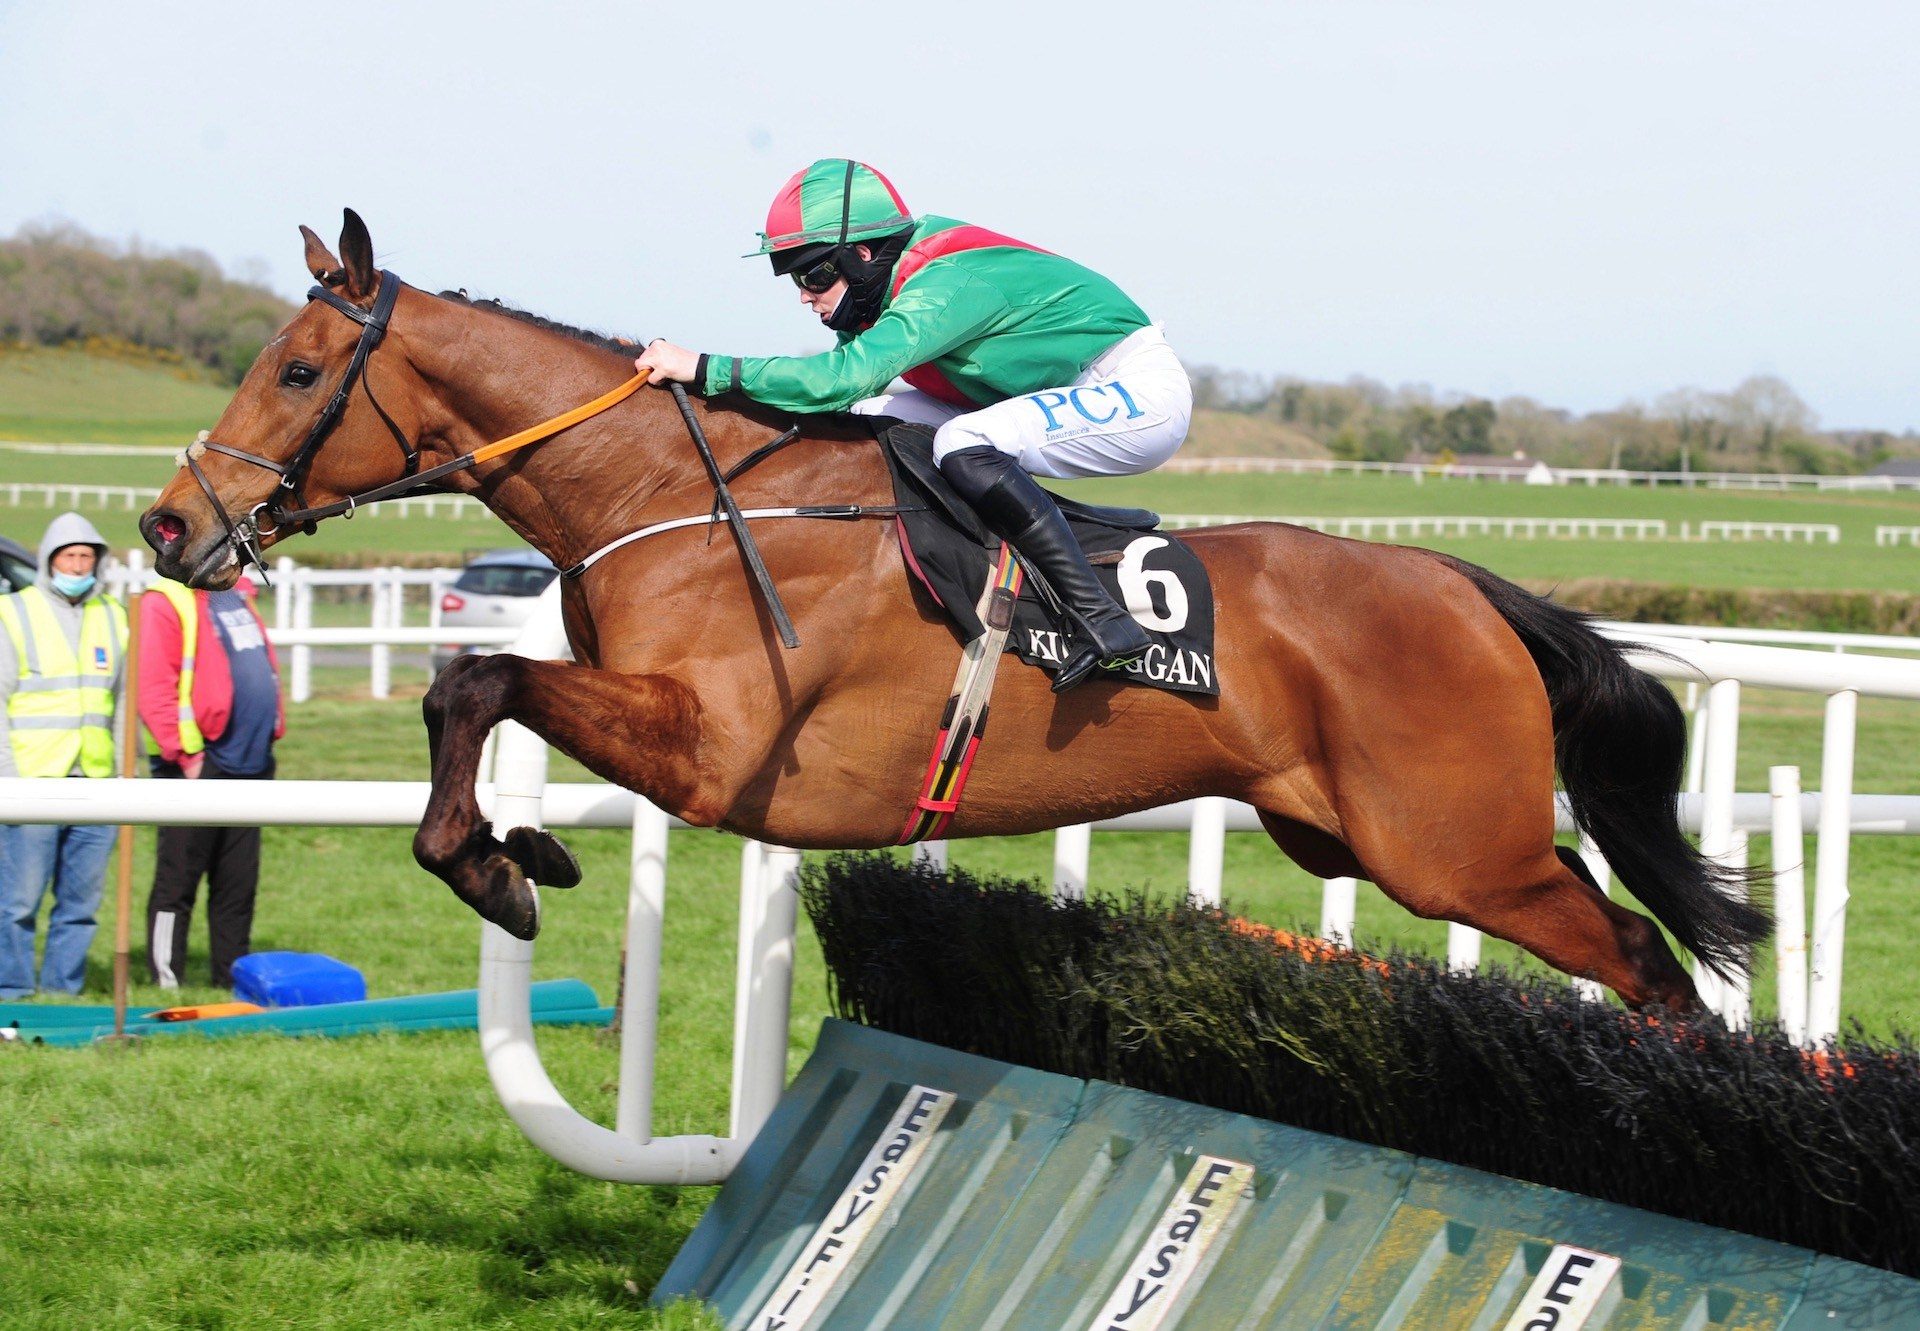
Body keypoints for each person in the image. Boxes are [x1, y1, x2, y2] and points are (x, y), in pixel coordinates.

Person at [636, 158, 1194, 692]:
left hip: (1134, 391)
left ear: (859, 255)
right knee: (860, 418)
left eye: (813, 273)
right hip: (1055, 390)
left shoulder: (943, 284)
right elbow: (841, 397)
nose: (805, 295)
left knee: (961, 441)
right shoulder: (883, 289)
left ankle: (1104, 621)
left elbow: (837, 377)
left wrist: (704, 368)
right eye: (794, 279)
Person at [0, 513, 127, 999]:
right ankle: (12, 993)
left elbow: (120, 703)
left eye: (86, 557)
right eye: (69, 557)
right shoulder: (14, 613)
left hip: (96, 783)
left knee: (80, 904)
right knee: (18, 902)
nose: (78, 565)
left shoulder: (113, 616)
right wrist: (9, 780)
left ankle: (62, 994)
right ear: (49, 560)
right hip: (32, 782)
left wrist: (122, 778)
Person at [137, 572, 284, 989]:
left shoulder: (238, 594)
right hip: (199, 765)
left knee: (237, 885)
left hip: (252, 762)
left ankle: (231, 980)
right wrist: (187, 755)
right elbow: (153, 685)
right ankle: (166, 979)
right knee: (178, 881)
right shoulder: (165, 601)